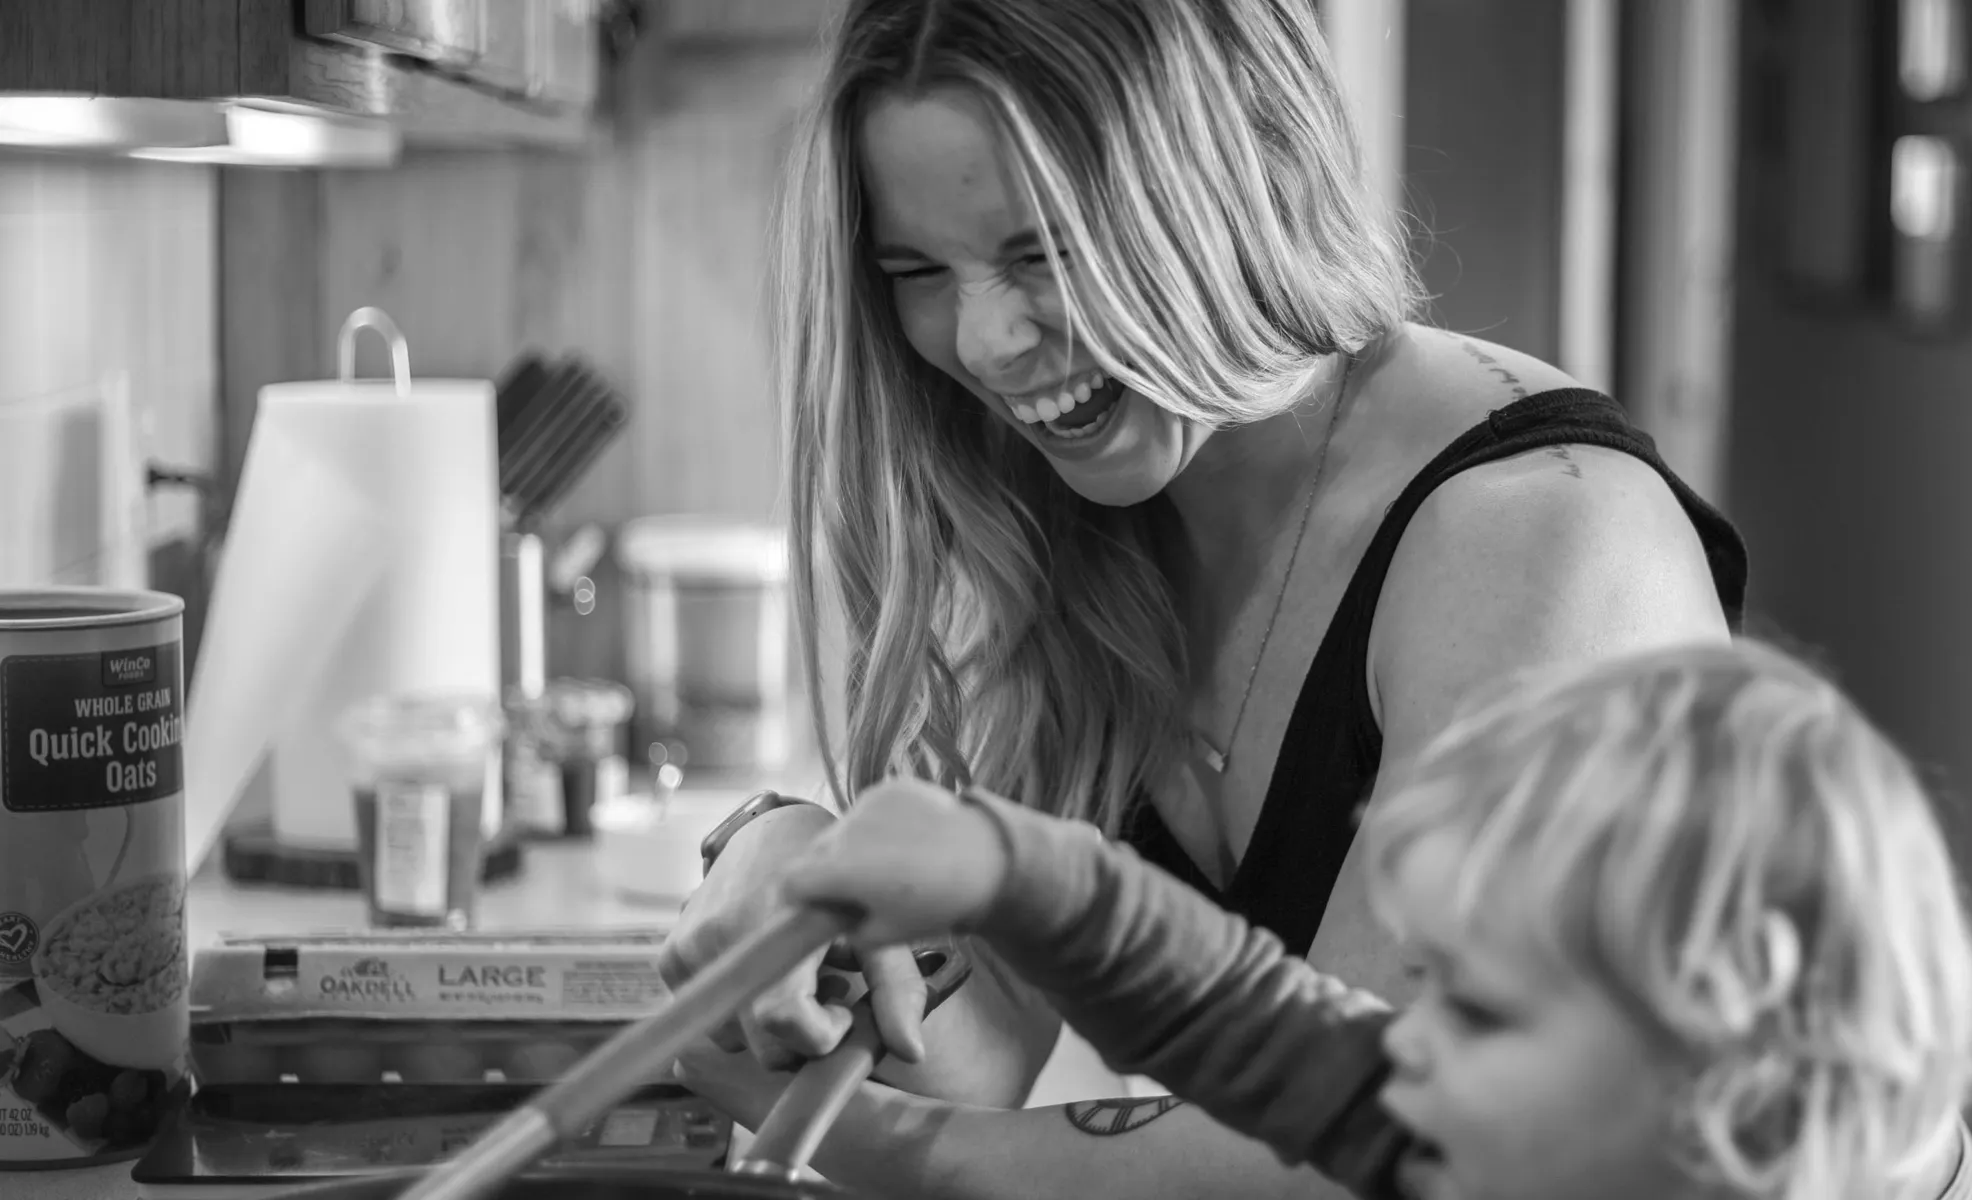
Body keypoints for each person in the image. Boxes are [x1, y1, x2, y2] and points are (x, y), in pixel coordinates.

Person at [661, 0, 1746, 1194]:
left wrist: (905, 1153)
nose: (985, 341)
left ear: (1237, 182)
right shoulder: (1093, 521)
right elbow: (973, 1048)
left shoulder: (1546, 535)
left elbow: (1412, 1157)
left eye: (1046, 253)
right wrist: (787, 855)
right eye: (920, 271)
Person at [676, 641, 1972, 1200]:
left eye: (1479, 1009)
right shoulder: (1498, 1134)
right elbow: (1249, 1018)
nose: (1403, 1038)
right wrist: (1009, 870)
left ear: (1725, 1047)